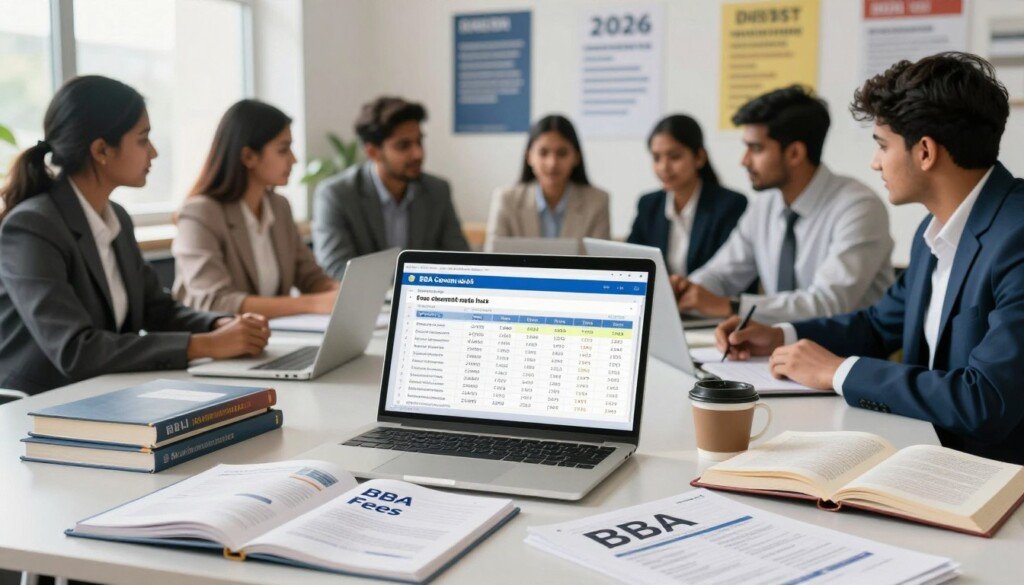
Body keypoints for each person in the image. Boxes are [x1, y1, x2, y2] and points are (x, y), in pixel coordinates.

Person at [716, 53, 1024, 464]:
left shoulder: (1016, 235)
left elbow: (984, 400)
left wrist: (838, 371)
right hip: (920, 455)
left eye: (882, 145)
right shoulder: (932, 231)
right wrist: (780, 335)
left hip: (993, 482)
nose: (874, 162)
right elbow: (878, 325)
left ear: (926, 152)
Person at [0, 76, 269, 394]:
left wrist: (218, 325)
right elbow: (76, 351)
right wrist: (204, 345)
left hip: (104, 391)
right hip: (38, 405)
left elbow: (159, 310)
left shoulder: (117, 218)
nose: (153, 152)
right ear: (101, 150)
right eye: (143, 140)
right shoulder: (32, 227)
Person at [674, 86, 895, 323]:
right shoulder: (765, 205)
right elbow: (722, 274)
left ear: (795, 153)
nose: (744, 161)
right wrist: (687, 290)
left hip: (848, 354)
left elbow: (829, 304)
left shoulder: (859, 207)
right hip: (778, 347)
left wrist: (733, 306)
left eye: (756, 148)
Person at [172, 100, 338, 318]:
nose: (294, 160)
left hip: (274, 338)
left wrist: (340, 293)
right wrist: (312, 304)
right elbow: (215, 301)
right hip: (217, 345)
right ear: (249, 156)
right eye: (283, 150)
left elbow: (310, 277)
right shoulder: (200, 213)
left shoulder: (279, 207)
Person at [312, 96, 468, 278]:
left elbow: (460, 260)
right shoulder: (337, 195)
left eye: (419, 141)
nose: (418, 153)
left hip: (423, 301)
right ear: (373, 152)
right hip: (368, 303)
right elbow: (336, 268)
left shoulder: (437, 190)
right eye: (403, 146)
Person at [627, 114, 747, 276]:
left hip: (707, 300)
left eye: (674, 157)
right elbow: (630, 262)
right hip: (657, 300)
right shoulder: (648, 204)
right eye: (656, 158)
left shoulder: (730, 205)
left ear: (699, 157)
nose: (664, 167)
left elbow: (732, 274)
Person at [485, 114, 610, 250]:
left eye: (562, 153)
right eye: (543, 153)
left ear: (576, 157)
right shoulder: (506, 199)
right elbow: (493, 258)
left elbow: (600, 264)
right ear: (529, 157)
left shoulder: (597, 202)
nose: (552, 163)